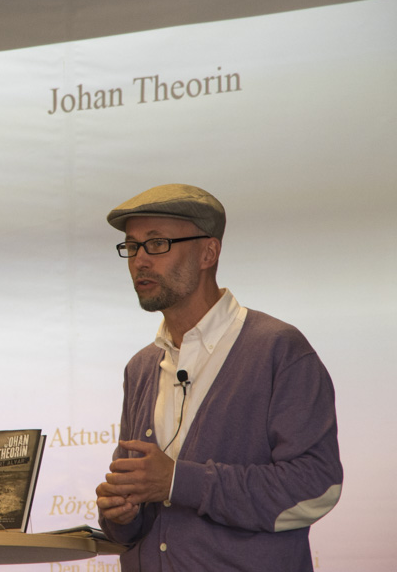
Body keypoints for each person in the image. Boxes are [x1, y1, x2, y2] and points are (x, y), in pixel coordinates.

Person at [95, 184, 342, 571]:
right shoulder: (141, 367)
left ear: (208, 253)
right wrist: (121, 514)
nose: (139, 260)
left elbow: (316, 488)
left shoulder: (278, 349)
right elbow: (137, 522)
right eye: (132, 246)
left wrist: (178, 482)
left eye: (156, 244)